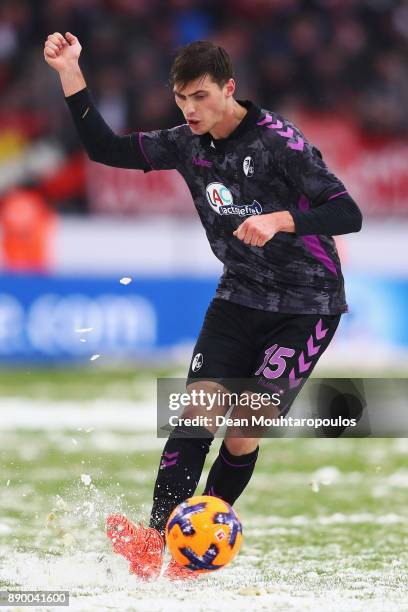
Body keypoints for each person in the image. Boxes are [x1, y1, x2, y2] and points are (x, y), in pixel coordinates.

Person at [44, 32, 362, 581]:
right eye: (181, 98)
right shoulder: (186, 143)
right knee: (197, 414)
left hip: (307, 304)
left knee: (243, 430)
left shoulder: (279, 143)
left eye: (200, 97)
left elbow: (348, 211)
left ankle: (196, 553)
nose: (189, 110)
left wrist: (281, 219)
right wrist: (71, 73)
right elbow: (105, 149)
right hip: (238, 295)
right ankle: (153, 538)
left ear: (228, 89)